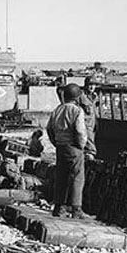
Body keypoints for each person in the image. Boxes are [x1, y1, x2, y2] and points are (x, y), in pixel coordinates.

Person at [46, 83, 88, 219]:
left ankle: (59, 208)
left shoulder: (57, 110)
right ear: (77, 97)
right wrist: (81, 146)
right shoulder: (77, 111)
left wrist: (56, 143)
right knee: (77, 178)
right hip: (73, 147)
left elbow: (49, 129)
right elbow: (80, 131)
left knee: (61, 177)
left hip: (60, 147)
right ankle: (76, 209)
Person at [77, 77, 98, 156]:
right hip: (84, 125)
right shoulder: (81, 95)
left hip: (92, 125)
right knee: (90, 149)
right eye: (90, 85)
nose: (92, 87)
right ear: (86, 85)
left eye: (94, 85)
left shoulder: (93, 96)